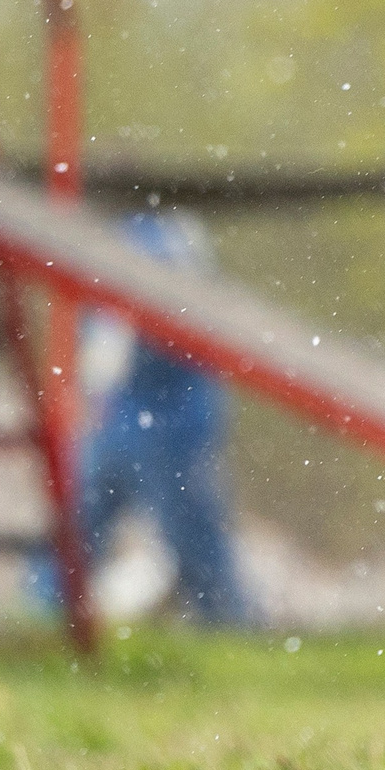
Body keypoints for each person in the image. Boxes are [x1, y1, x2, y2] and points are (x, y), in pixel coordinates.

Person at [67, 212, 251, 627]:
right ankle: (47, 606)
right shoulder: (145, 244)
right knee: (80, 521)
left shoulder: (162, 248)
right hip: (128, 411)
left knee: (190, 531)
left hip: (169, 415)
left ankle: (229, 621)